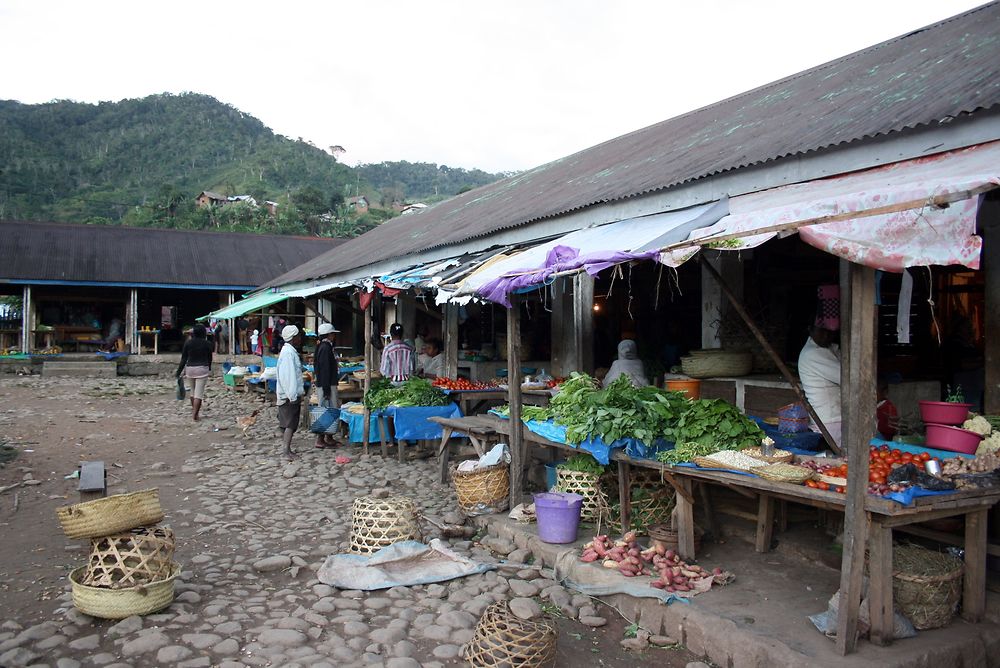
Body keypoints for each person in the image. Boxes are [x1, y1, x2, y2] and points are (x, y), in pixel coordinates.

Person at [798, 324, 842, 447]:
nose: (826, 335)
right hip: (830, 422)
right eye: (821, 331)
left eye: (830, 331)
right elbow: (847, 378)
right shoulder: (813, 353)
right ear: (810, 329)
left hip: (833, 421)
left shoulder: (827, 349)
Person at [276, 324, 305, 459]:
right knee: (290, 423)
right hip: (289, 394)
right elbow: (289, 377)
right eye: (298, 336)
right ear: (294, 338)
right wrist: (292, 395)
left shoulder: (288, 351)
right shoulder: (288, 353)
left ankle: (287, 448)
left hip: (287, 393)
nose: (300, 338)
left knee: (287, 422)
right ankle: (286, 451)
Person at [176, 324, 213, 421]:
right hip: (202, 369)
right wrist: (209, 367)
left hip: (190, 369)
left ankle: (194, 410)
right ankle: (195, 414)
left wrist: (178, 372)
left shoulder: (188, 343)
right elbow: (209, 357)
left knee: (192, 391)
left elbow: (183, 359)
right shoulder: (207, 343)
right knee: (199, 393)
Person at [313, 322, 341, 448]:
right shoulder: (325, 348)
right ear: (329, 335)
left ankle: (329, 436)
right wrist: (326, 389)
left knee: (331, 409)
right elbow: (324, 369)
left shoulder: (324, 346)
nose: (334, 337)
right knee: (324, 410)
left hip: (327, 383)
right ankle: (320, 438)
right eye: (332, 334)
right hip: (327, 384)